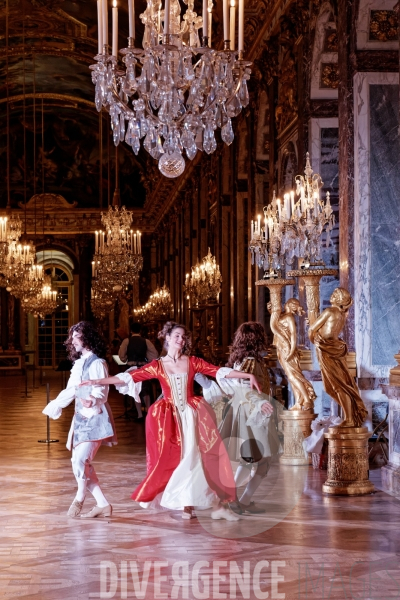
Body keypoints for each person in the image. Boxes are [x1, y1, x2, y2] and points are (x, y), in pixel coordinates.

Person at [81, 321, 262, 521]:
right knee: (180, 459)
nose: (181, 340)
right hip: (170, 418)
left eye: (183, 337)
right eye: (177, 336)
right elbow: (128, 377)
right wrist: (97, 381)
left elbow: (217, 371)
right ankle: (187, 505)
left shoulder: (192, 361)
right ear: (167, 338)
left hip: (193, 415)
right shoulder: (158, 365)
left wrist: (247, 374)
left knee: (196, 458)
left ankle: (214, 505)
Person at [42, 321, 117, 518]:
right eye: (72, 336)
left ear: (88, 337)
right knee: (78, 461)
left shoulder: (97, 363)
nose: (72, 340)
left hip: (96, 418)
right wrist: (57, 404)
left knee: (81, 459)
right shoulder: (79, 364)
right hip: (80, 418)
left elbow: (102, 391)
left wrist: (93, 399)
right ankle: (103, 504)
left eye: (77, 336)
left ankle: (80, 496)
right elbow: (72, 390)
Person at [218, 322, 279, 514]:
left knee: (253, 458)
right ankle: (234, 499)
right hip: (252, 414)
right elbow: (245, 389)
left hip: (247, 412)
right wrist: (260, 404)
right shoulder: (251, 361)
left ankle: (237, 499)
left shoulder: (242, 360)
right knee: (258, 460)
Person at [308, 287, 368, 428]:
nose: (332, 295)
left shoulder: (329, 311)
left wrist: (315, 341)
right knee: (337, 386)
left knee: (338, 386)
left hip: (327, 350)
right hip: (334, 348)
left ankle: (350, 419)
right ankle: (350, 416)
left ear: (339, 299)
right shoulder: (341, 314)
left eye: (335, 294)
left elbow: (312, 329)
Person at [268, 298, 316, 411]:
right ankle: (299, 402)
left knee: (293, 376)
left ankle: (307, 400)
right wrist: (271, 310)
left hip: (287, 349)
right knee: (291, 377)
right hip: (282, 349)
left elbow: (294, 335)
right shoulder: (284, 316)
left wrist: (291, 350)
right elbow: (275, 323)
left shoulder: (289, 317)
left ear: (290, 304)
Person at [118, 322, 159, 420]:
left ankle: (139, 414)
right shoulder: (146, 341)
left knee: (135, 390)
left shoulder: (126, 341)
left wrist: (127, 358)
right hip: (142, 367)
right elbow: (154, 355)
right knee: (145, 390)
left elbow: (121, 356)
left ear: (131, 330)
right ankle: (149, 412)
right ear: (140, 330)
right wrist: (147, 360)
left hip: (131, 368)